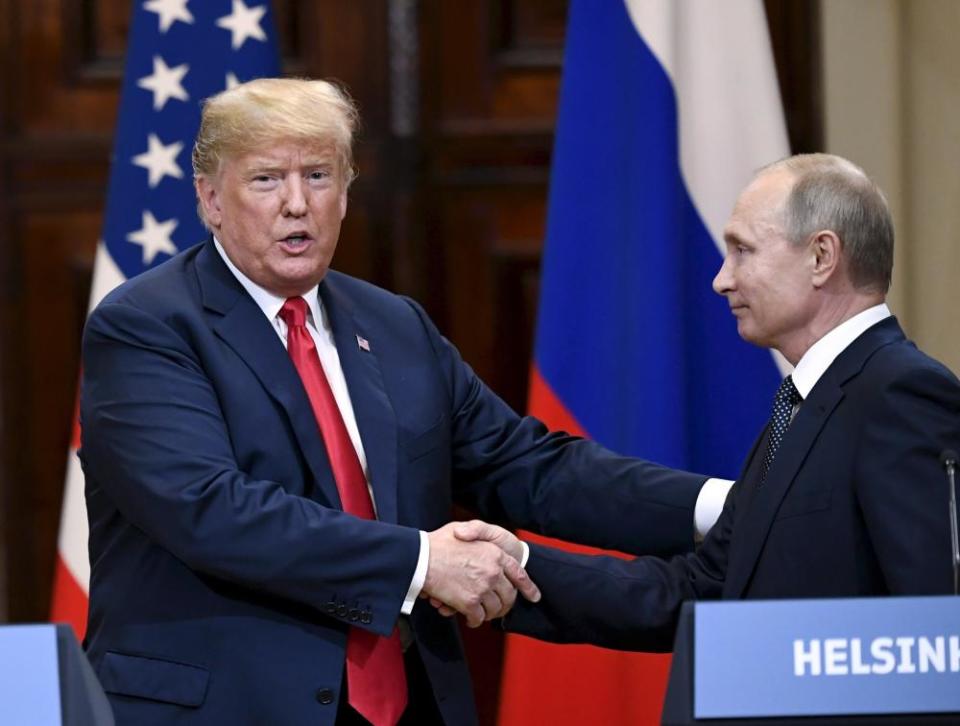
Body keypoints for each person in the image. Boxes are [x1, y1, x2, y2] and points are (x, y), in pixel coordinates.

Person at [78, 78, 717, 726]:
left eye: (320, 175)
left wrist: (720, 507)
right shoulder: (147, 326)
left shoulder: (393, 326)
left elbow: (525, 465)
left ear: (347, 191)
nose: (298, 204)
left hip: (408, 702)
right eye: (268, 180)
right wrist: (422, 562)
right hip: (231, 705)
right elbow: (213, 511)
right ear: (211, 198)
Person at [487, 153, 960, 650]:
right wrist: (515, 569)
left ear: (822, 257)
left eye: (742, 250)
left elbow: (933, 632)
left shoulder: (901, 395)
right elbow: (700, 589)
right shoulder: (804, 404)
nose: (722, 279)